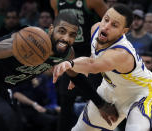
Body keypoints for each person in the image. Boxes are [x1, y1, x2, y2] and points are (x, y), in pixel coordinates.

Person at [52, 4, 152, 131]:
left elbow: (93, 65)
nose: (106, 26)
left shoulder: (121, 53)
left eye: (114, 25)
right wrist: (82, 69)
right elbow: (92, 59)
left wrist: (71, 64)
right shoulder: (95, 29)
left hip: (141, 93)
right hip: (111, 88)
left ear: (124, 31)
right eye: (106, 19)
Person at [0, 12, 79, 131]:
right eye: (62, 31)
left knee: (15, 124)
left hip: (1, 84)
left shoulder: (66, 53)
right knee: (6, 118)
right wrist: (18, 47)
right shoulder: (32, 37)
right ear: (52, 29)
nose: (66, 38)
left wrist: (74, 79)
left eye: (72, 34)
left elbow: (73, 73)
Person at [50, 0, 108, 130]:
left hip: (91, 56)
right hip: (69, 54)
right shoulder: (55, 2)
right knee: (66, 102)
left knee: (96, 100)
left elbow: (112, 25)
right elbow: (57, 28)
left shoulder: (93, 1)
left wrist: (100, 50)